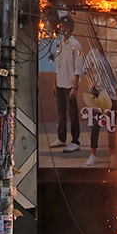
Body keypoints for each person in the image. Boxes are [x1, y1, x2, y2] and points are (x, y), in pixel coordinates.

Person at [49, 15, 84, 153]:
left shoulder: (76, 45)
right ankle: (61, 138)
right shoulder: (60, 44)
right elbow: (58, 66)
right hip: (60, 84)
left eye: (62, 26)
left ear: (69, 27)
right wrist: (55, 84)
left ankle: (75, 141)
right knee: (61, 113)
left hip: (70, 85)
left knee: (73, 114)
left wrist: (75, 87)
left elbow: (78, 68)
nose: (60, 28)